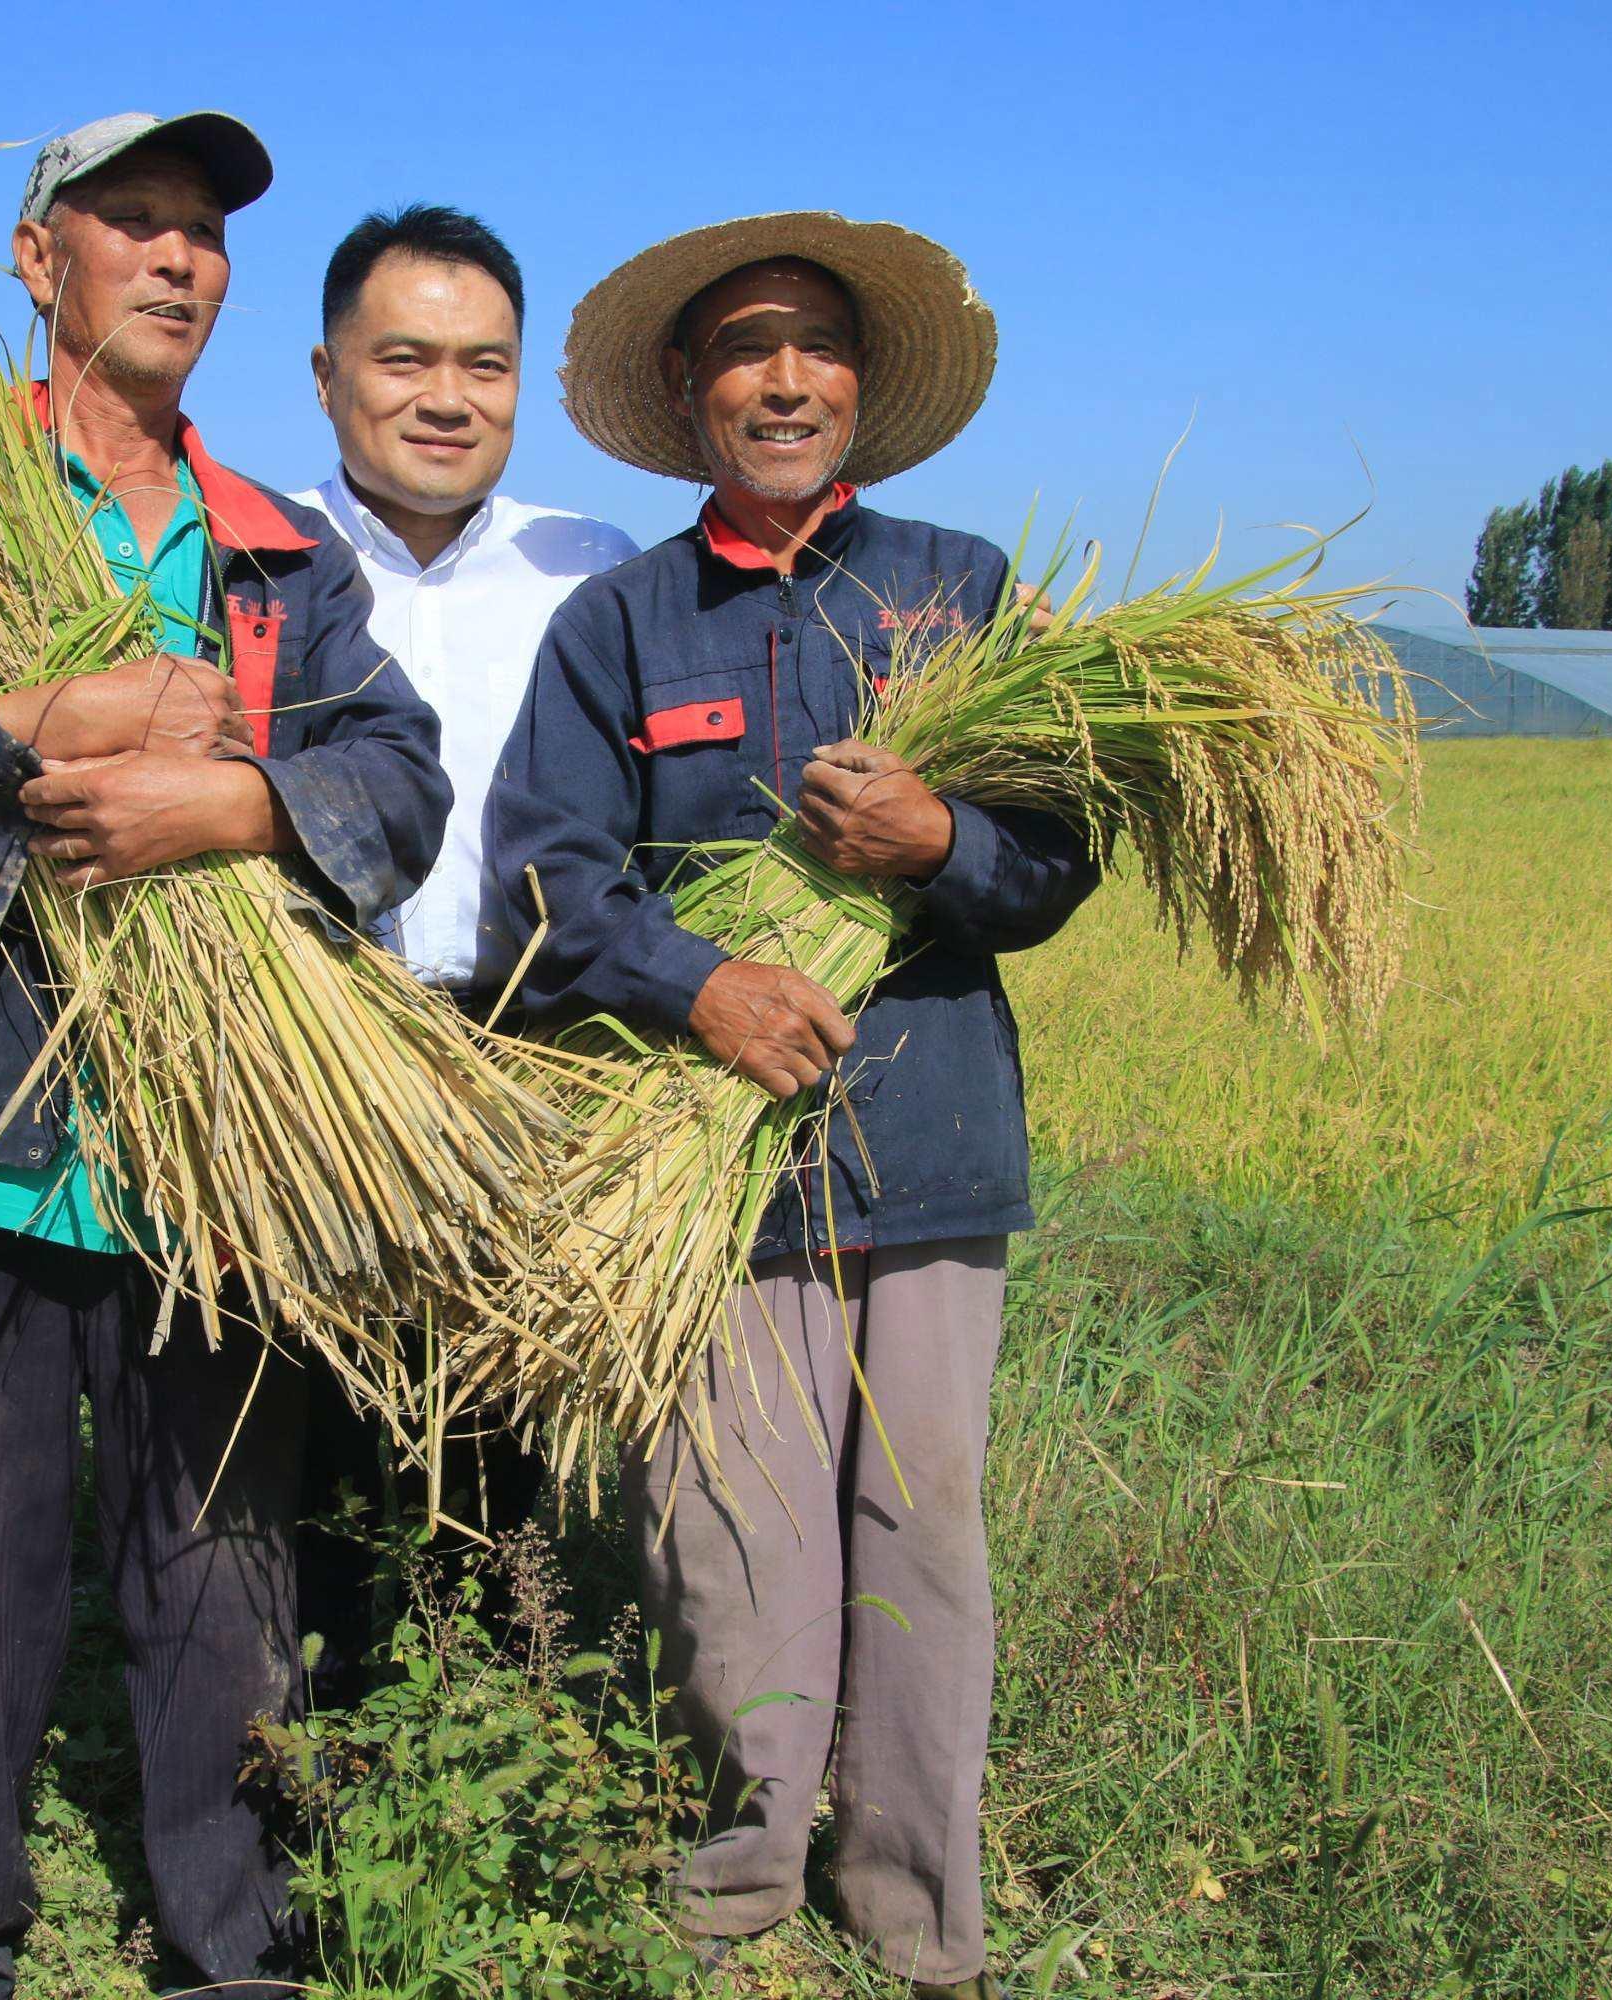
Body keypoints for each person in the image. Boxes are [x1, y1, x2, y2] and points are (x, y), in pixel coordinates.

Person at [0, 110, 449, 2000]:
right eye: (130, 221)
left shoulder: (279, 556)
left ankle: (232, 1952)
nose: (178, 257)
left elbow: (400, 769)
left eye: (204, 233)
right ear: (34, 255)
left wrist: (229, 812)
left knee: (219, 1584)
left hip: (222, 1166)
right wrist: (24, 717)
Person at [485, 213, 1098, 1998]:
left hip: (932, 1144)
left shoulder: (961, 590)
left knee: (924, 1535)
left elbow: (1061, 860)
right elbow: (550, 874)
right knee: (733, 1537)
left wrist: (947, 846)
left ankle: (914, 1911)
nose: (783, 376)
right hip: (711, 1165)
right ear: (688, 394)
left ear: (861, 386)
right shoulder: (621, 623)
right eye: (745, 347)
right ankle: (737, 1888)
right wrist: (705, 985)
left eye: (815, 346)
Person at [286, 204, 638, 1636]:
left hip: (527, 1050)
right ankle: (303, 1765)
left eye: (483, 365)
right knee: (298, 1440)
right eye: (405, 359)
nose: (447, 398)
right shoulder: (251, 553)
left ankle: (486, 1751)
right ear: (326, 377)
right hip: (304, 1045)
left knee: (496, 1456)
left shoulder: (594, 562)